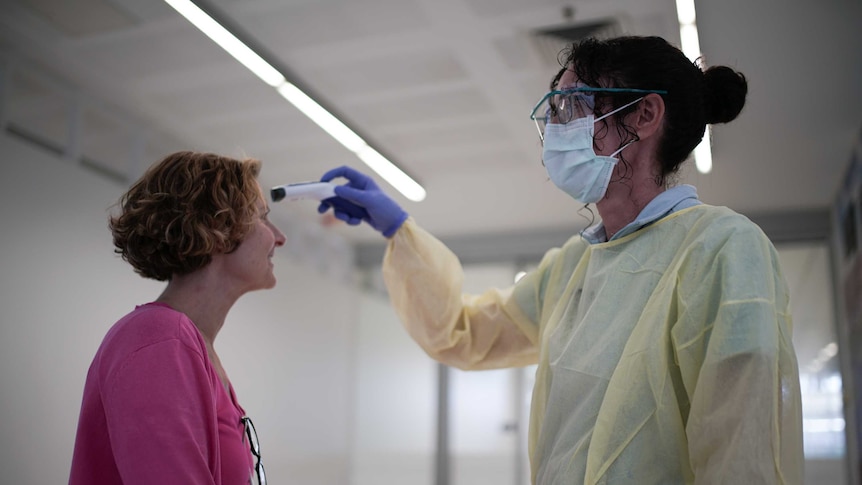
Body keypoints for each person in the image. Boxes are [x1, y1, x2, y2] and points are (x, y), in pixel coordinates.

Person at [317, 36, 803, 484]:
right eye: (554, 110)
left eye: (574, 105)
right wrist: (398, 230)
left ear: (645, 115)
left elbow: (745, 454)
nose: (556, 128)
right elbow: (463, 334)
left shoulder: (722, 248)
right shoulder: (573, 267)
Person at [69, 151, 284, 484]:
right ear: (218, 226)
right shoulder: (159, 339)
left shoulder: (194, 348)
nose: (278, 237)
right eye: (263, 217)